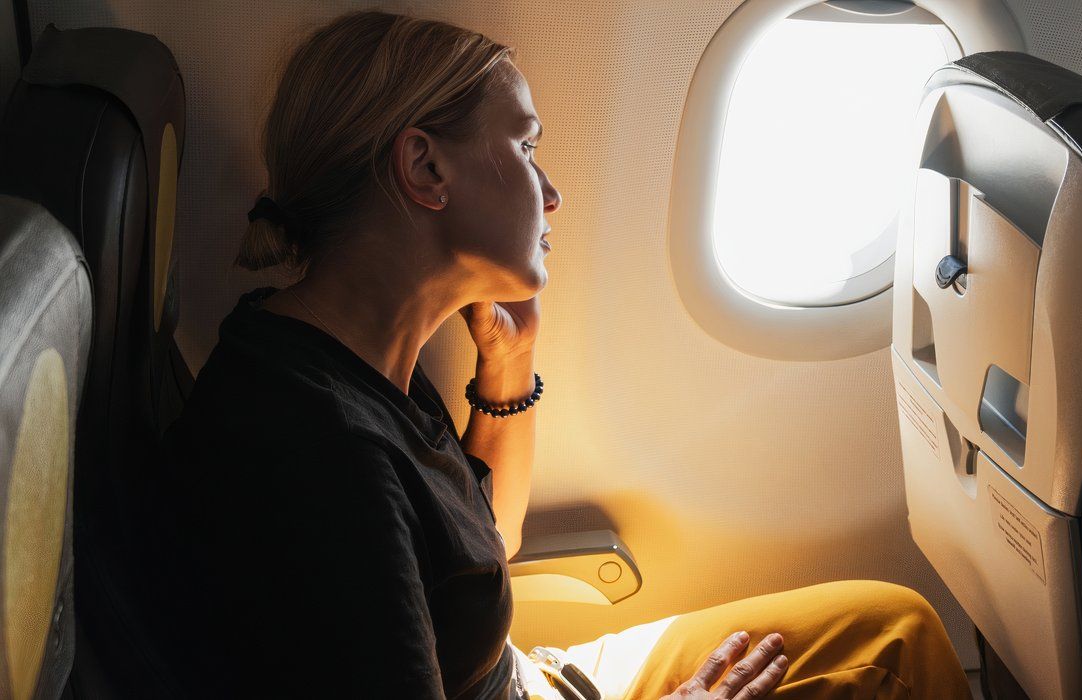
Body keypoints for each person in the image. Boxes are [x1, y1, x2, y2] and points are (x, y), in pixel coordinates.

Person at [150, 10, 970, 699]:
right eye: (526, 147)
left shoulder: (346, 353)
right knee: (899, 662)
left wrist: (509, 364)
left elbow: (484, 548)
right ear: (424, 167)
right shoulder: (324, 456)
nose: (552, 193)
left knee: (897, 624)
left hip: (530, 678)